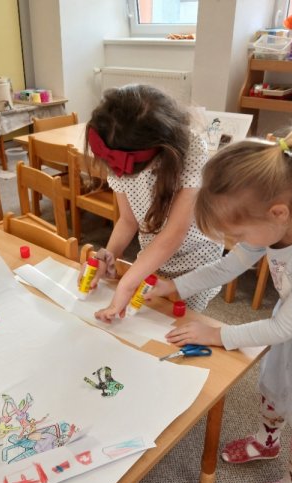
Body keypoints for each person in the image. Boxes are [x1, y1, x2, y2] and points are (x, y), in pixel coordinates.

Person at [145, 124, 292, 483]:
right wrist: (173, 287)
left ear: (278, 213)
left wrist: (217, 333)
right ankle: (267, 441)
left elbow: (284, 327)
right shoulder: (276, 221)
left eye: (240, 232)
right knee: (273, 386)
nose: (237, 241)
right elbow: (227, 267)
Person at [81, 84, 223, 322]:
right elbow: (128, 220)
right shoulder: (116, 145)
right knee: (146, 318)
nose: (120, 174)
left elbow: (174, 234)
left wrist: (126, 284)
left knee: (174, 321)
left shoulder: (193, 150)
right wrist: (109, 255)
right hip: (153, 253)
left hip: (195, 259)